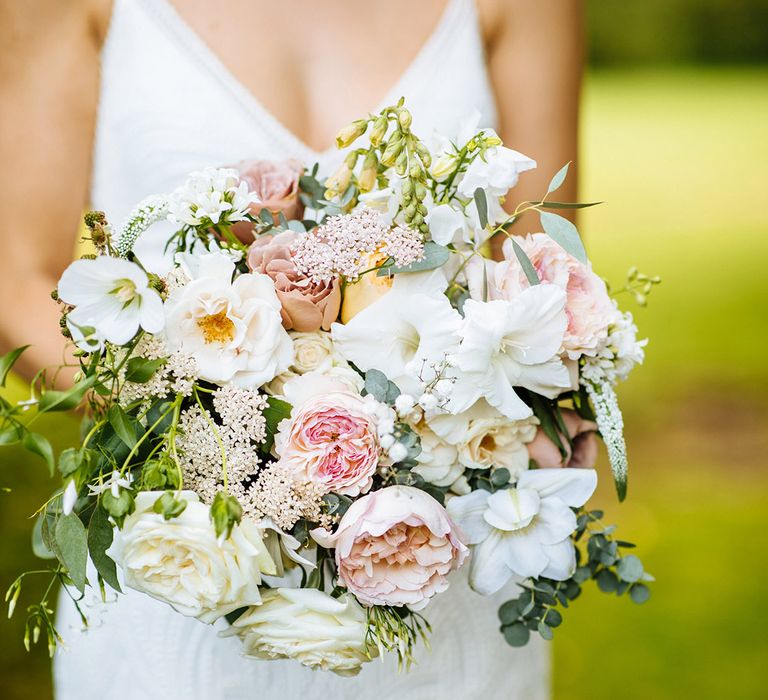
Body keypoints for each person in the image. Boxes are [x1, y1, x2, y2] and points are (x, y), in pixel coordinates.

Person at [0, 1, 582, 698]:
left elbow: (541, 268)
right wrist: (200, 434)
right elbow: (17, 280)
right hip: (191, 559)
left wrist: (526, 419)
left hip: (431, 558)